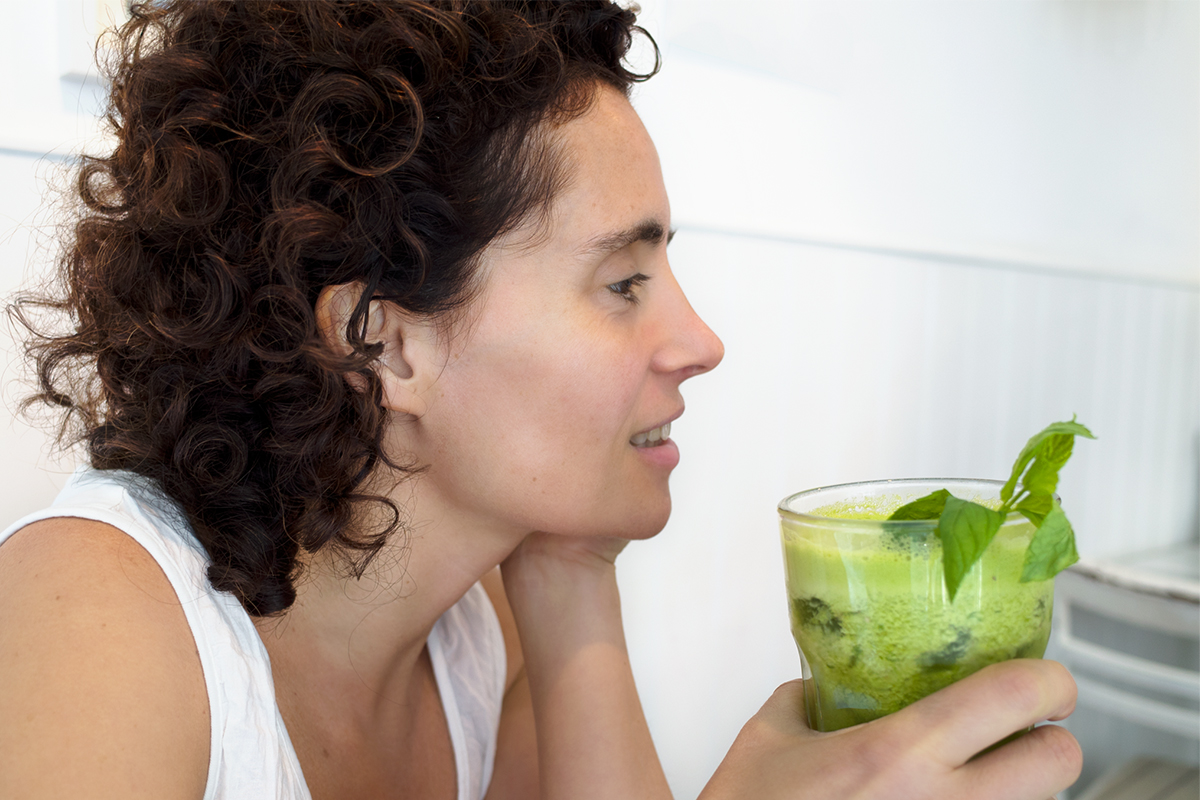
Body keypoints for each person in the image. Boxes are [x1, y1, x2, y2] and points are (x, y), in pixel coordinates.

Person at [0, 2, 1082, 798]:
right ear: (386, 339)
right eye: (623, 283)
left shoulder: (483, 626)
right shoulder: (95, 616)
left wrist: (574, 575)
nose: (700, 342)